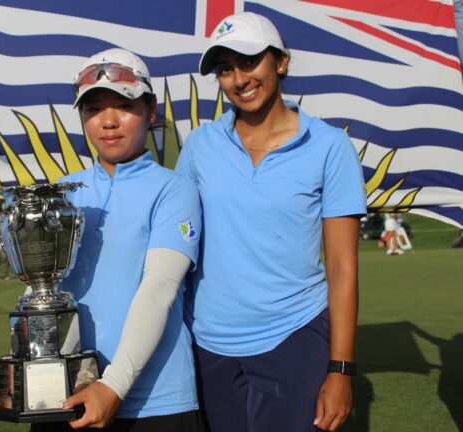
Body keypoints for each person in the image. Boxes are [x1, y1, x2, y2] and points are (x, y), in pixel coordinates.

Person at [176, 12, 366, 432]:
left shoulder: (330, 147)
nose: (238, 79)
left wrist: (341, 369)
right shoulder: (200, 147)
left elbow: (342, 267)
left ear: (281, 62)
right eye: (225, 69)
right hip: (209, 344)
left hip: (294, 336)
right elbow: (180, 249)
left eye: (248, 62)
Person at [32, 48, 203, 432]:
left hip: (156, 403)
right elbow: (44, 296)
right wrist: (29, 370)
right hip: (68, 396)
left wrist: (114, 385)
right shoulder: (60, 193)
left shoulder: (174, 190)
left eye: (123, 105)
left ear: (151, 110)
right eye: (93, 109)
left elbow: (160, 288)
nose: (108, 121)